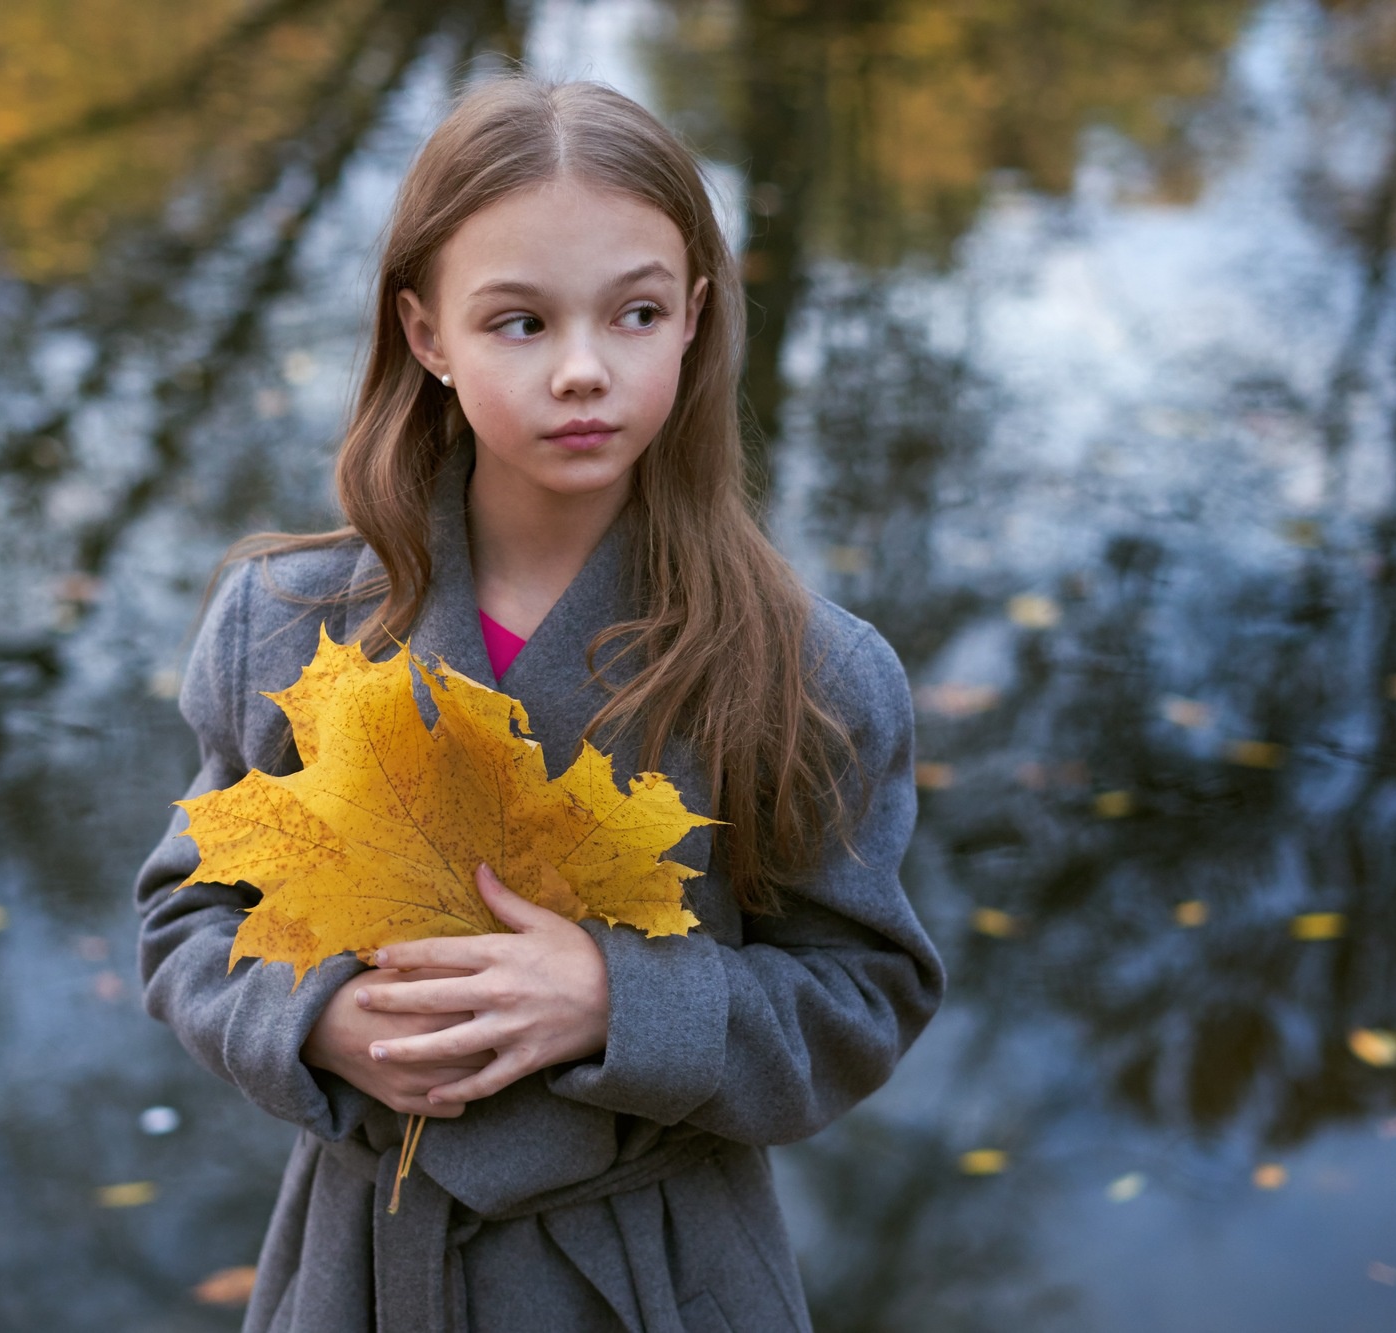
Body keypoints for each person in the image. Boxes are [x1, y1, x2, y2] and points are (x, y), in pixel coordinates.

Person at [134, 74, 943, 1333]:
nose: (581, 370)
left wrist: (618, 1002)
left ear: (694, 320)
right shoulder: (285, 626)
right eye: (518, 323)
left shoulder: (809, 675)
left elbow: (858, 998)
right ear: (425, 335)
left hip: (665, 1272)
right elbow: (191, 919)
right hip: (363, 1265)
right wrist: (317, 1020)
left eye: (633, 313)